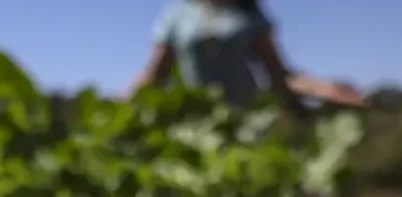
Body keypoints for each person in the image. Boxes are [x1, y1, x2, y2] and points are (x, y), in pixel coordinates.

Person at [128, 0, 365, 113]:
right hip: (193, 123)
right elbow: (155, 75)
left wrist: (325, 89)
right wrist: (114, 109)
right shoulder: (177, 14)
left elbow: (279, 74)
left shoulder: (248, 12)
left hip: (244, 120)